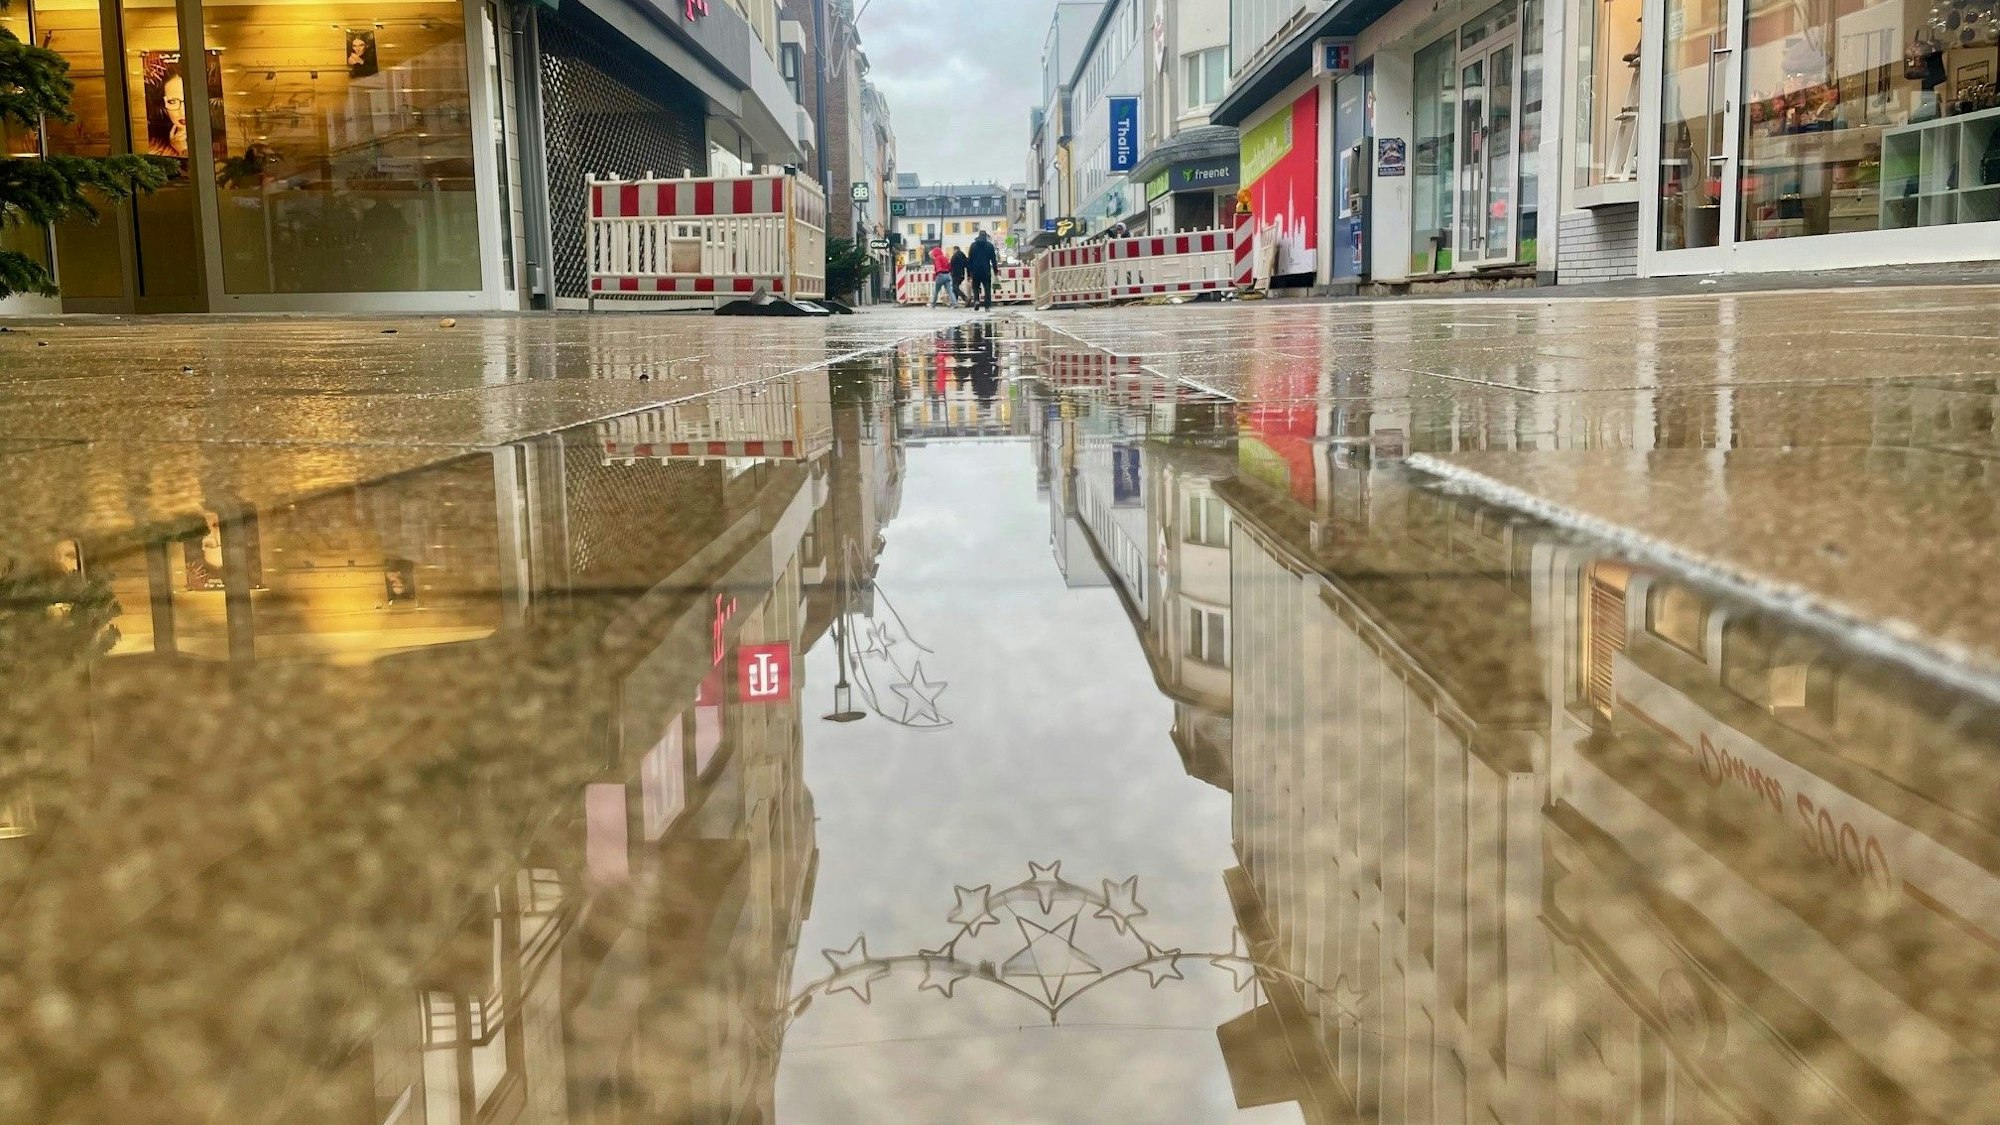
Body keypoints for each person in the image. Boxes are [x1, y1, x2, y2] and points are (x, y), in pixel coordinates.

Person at [968, 230, 998, 310]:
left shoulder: (973, 245)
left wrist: (969, 273)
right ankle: (987, 306)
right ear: (985, 236)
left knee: (975, 287)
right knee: (987, 288)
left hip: (975, 270)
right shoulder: (990, 246)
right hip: (986, 270)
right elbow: (993, 260)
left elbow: (970, 260)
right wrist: (995, 271)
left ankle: (977, 300)